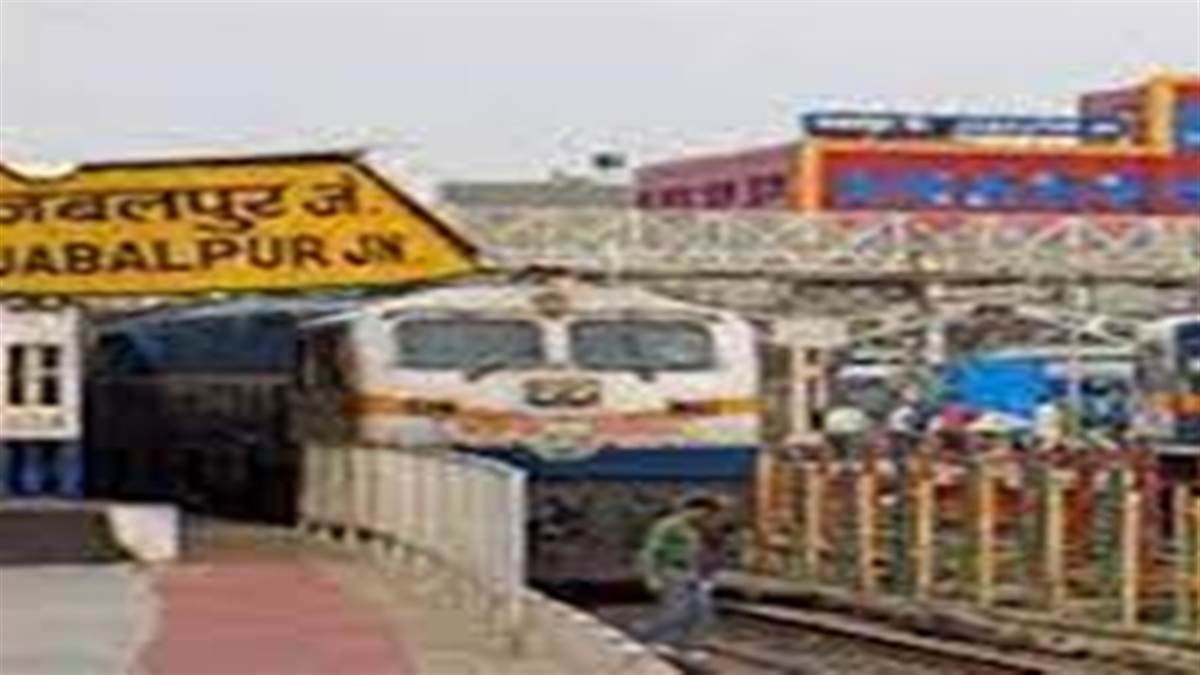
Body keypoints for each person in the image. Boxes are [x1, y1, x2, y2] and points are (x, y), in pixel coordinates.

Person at [633, 492, 727, 657]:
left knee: (701, 607)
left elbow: (705, 551)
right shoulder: (668, 525)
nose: (706, 517)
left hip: (692, 572)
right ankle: (664, 641)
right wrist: (651, 577)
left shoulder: (697, 527)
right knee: (677, 608)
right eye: (704, 513)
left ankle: (691, 642)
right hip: (670, 570)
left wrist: (707, 575)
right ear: (692, 509)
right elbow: (650, 552)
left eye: (710, 515)